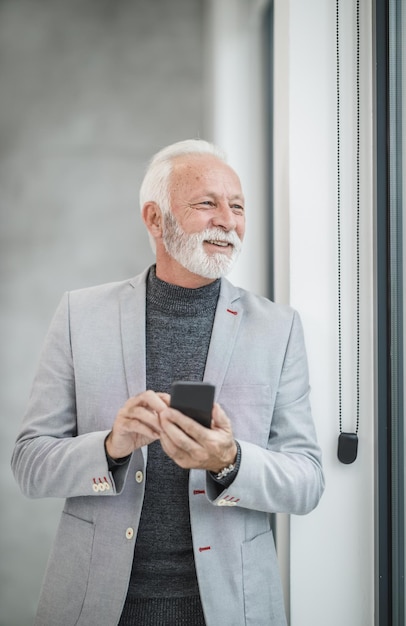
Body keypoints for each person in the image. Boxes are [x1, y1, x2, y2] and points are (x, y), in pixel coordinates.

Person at [11, 139, 324, 626]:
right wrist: (111, 448)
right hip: (96, 607)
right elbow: (29, 464)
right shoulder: (80, 316)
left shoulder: (279, 329)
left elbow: (306, 482)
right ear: (155, 219)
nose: (227, 220)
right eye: (207, 203)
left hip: (231, 608)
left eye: (237, 206)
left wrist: (230, 460)